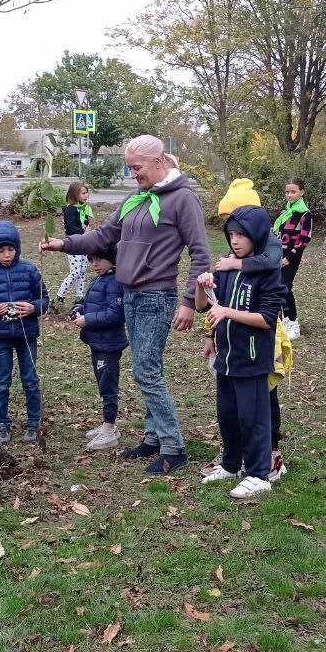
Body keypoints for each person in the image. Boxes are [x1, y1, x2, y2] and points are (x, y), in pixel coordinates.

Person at [41, 134, 211, 474]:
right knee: (147, 369)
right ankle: (153, 437)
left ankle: (174, 448)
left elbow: (201, 254)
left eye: (137, 167)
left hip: (156, 297)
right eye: (129, 168)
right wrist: (64, 244)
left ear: (160, 162)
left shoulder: (182, 200)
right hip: (129, 294)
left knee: (146, 371)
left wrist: (190, 301)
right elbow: (104, 236)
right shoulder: (137, 198)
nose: (133, 174)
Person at [195, 204, 286, 500]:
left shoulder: (268, 273)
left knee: (254, 419)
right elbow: (205, 306)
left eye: (242, 235)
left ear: (257, 236)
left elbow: (266, 319)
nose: (235, 241)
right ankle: (232, 464)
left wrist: (227, 312)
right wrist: (202, 286)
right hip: (227, 359)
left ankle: (259, 474)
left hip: (252, 359)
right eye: (231, 234)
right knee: (228, 415)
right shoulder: (228, 267)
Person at [0, 221, 49, 445]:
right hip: (0, 337)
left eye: (10, 249)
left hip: (27, 335)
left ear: (17, 248)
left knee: (31, 380)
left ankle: (34, 421)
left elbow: (44, 299)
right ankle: (2, 423)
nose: (7, 255)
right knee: (2, 381)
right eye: (1, 250)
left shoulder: (29, 270)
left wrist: (34, 307)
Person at [69, 245, 128, 451]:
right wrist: (78, 309)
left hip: (109, 344)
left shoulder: (115, 282)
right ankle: (108, 424)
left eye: (99, 260)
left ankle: (109, 429)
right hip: (97, 341)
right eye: (91, 260)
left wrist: (88, 319)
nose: (94, 264)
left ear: (112, 259)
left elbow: (115, 314)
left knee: (108, 386)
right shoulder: (98, 279)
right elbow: (91, 304)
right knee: (102, 384)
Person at [275, 177, 313, 340]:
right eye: (287, 192)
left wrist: (289, 258)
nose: (289, 195)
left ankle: (293, 323)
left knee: (285, 287)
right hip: (278, 256)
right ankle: (283, 321)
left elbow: (304, 239)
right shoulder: (285, 213)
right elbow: (277, 234)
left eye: (293, 192)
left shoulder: (305, 215)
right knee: (277, 287)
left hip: (292, 257)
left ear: (301, 192)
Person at [56, 181, 92, 307]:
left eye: (87, 192)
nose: (86, 195)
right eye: (83, 193)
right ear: (75, 194)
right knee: (75, 272)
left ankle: (79, 296)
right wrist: (83, 231)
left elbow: (86, 223)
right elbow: (70, 227)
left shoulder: (84, 208)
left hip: (83, 242)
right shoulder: (70, 210)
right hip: (73, 243)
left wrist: (87, 229)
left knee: (82, 270)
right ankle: (59, 295)